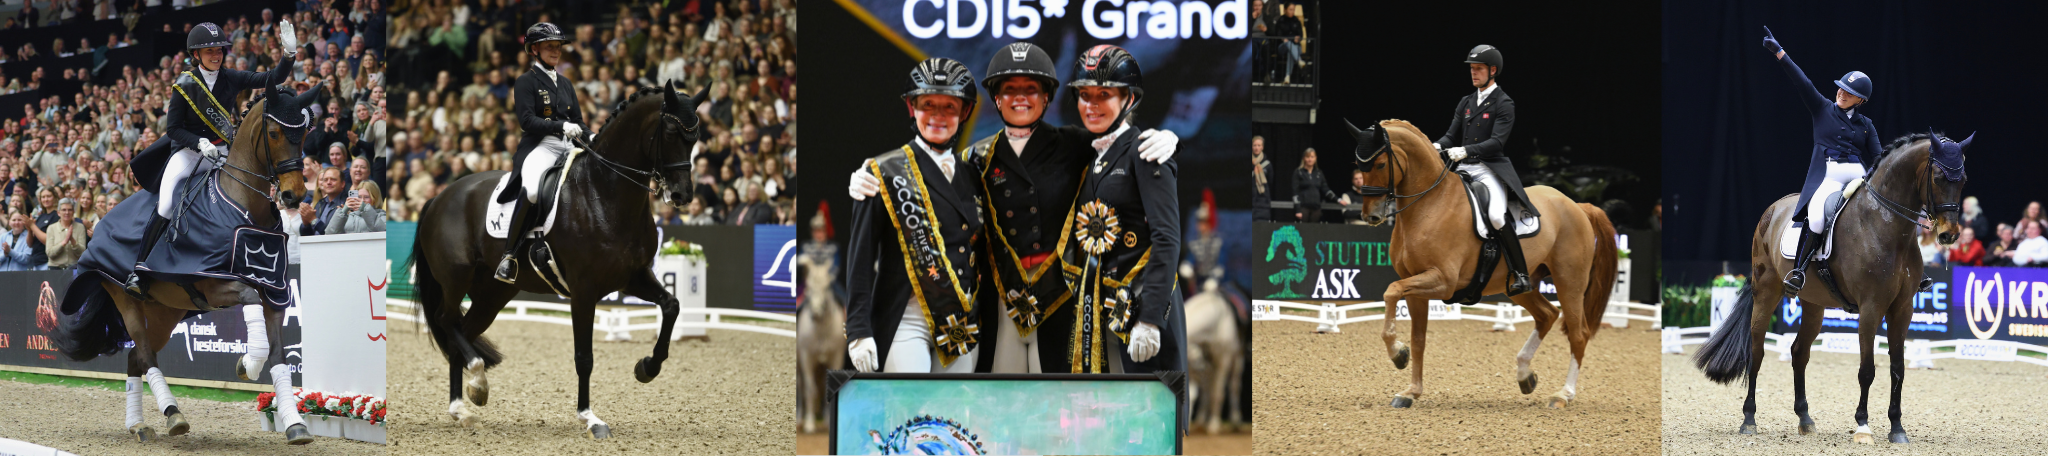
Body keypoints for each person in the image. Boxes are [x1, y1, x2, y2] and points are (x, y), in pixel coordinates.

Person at [843, 42, 1179, 373]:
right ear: (996, 98)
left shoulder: (1076, 144)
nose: (1020, 97)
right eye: (1009, 90)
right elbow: (926, 179)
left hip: (1060, 298)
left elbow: (1119, 146)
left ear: (1046, 97)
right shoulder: (975, 158)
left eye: (1030, 89)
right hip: (1001, 299)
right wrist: (867, 176)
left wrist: (1167, 139)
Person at [123, 20, 299, 298]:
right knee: (166, 203)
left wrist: (289, 55)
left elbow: (272, 78)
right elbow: (173, 129)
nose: (216, 55)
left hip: (222, 153)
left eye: (219, 50)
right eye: (210, 51)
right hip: (188, 154)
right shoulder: (184, 84)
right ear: (196, 55)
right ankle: (140, 269)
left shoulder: (231, 77)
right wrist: (199, 142)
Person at [844, 57, 989, 374]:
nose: (938, 115)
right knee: (913, 404)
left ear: (964, 112)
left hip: (960, 321)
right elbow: (860, 258)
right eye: (928, 105)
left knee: (954, 407)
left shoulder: (974, 175)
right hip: (906, 318)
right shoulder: (883, 172)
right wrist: (857, 330)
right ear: (912, 108)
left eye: (949, 107)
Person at [1060, 44, 1184, 376]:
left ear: (1128, 99)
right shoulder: (1092, 157)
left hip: (1143, 310)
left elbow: (1167, 238)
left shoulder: (1146, 151)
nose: (1091, 105)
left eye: (1104, 94)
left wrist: (1151, 319)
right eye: (1084, 95)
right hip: (1105, 313)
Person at [1762, 27, 1882, 293]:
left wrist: (1875, 179)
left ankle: (1909, 270)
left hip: (1858, 175)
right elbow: (1801, 81)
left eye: (1848, 92)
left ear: (1860, 100)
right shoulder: (1822, 108)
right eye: (1841, 88)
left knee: (1885, 211)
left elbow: (1878, 157)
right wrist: (1780, 53)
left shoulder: (1866, 125)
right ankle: (1799, 271)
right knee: (1816, 218)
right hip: (1829, 174)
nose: (1841, 93)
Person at [493, 22, 590, 283]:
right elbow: (526, 121)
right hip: (542, 145)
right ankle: (509, 256)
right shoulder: (525, 81)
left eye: (558, 47)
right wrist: (560, 126)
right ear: (534, 49)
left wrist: (591, 136)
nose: (556, 51)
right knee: (533, 191)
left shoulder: (566, 83)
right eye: (550, 46)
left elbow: (578, 122)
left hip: (569, 145)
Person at [1292, 147, 1342, 222]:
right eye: (1308, 157)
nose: (1310, 159)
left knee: (1314, 228)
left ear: (1315, 158)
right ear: (1304, 158)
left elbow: (1325, 189)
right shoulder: (1298, 172)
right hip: (1303, 208)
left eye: (1312, 157)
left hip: (1316, 208)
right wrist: (1298, 210)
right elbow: (1295, 192)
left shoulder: (1319, 173)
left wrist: (1337, 199)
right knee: (1303, 229)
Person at [46, 197, 86, 269]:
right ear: (58, 212)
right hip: (55, 268)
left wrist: (73, 241)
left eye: (70, 210)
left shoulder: (80, 227)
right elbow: (50, 253)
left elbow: (82, 253)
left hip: (74, 268)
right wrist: (64, 242)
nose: (67, 212)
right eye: (64, 210)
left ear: (73, 212)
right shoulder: (51, 228)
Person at [1253, 135, 1271, 221]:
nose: (1257, 148)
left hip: (1262, 200)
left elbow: (1270, 182)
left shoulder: (1268, 165)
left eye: (1259, 145)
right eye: (1254, 145)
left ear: (1262, 147)